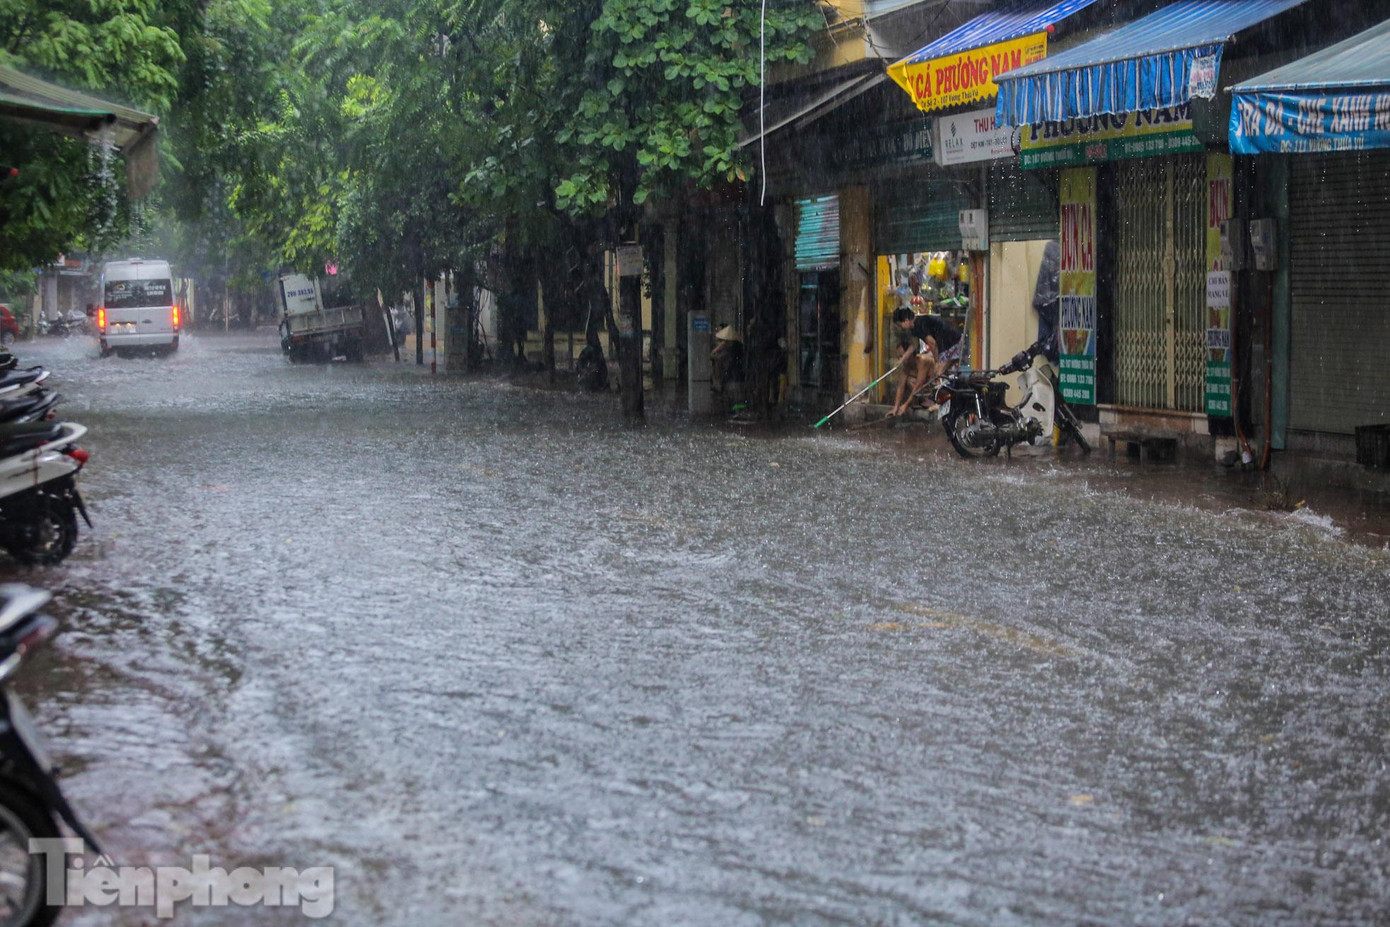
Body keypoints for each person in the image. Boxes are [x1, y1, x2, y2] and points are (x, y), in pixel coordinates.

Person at [891, 306, 962, 415]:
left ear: (906, 320)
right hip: (951, 341)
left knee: (940, 372)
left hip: (950, 342)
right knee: (945, 373)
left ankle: (941, 404)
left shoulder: (919, 325)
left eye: (901, 325)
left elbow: (933, 344)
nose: (902, 328)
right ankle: (945, 403)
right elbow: (914, 345)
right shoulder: (916, 325)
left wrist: (937, 362)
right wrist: (902, 359)